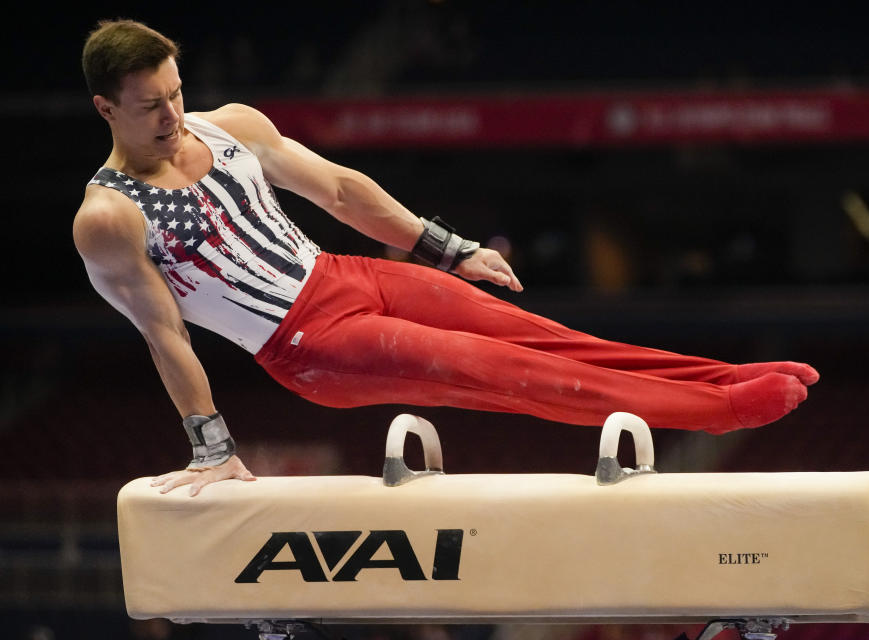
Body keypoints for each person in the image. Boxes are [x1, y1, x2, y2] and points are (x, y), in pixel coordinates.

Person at [74, 19, 818, 497]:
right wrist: (211, 447)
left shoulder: (228, 125)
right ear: (107, 108)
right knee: (504, 371)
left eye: (175, 92)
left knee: (541, 337)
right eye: (150, 106)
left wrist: (447, 248)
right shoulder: (109, 216)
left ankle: (726, 376)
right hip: (307, 344)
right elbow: (163, 333)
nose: (173, 116)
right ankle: (720, 411)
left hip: (349, 274)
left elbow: (337, 189)